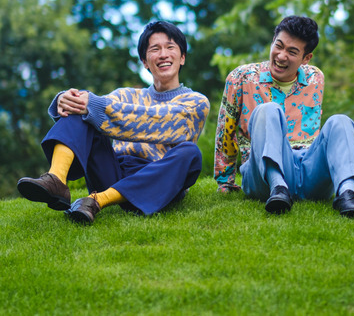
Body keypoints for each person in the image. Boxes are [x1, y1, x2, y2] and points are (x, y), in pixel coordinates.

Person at [16, 21, 210, 224]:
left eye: (170, 47)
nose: (163, 54)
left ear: (182, 57)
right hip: (113, 172)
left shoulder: (196, 102)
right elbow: (92, 109)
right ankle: (56, 180)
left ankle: (97, 201)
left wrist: (92, 104)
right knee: (84, 110)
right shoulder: (125, 95)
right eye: (155, 49)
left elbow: (156, 121)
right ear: (145, 61)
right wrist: (65, 100)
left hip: (157, 181)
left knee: (190, 153)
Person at [214, 16, 354, 218]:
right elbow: (226, 131)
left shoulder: (315, 78)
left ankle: (348, 194)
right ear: (272, 41)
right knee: (268, 110)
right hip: (262, 177)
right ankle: (278, 187)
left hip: (308, 172)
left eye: (292, 52)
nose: (281, 56)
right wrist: (225, 182)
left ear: (306, 58)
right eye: (279, 46)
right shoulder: (241, 77)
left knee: (341, 121)